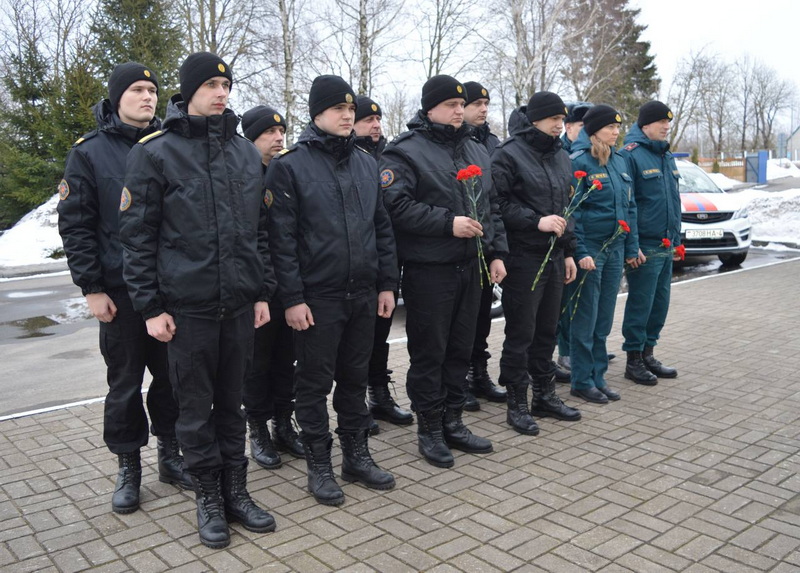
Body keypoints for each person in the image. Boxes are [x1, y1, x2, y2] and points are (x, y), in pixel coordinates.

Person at [119, 52, 276, 548]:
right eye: (210, 85)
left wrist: (261, 292)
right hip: (188, 310)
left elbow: (259, 233)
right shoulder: (155, 153)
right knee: (194, 410)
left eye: (226, 85)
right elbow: (137, 238)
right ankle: (208, 496)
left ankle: (236, 492)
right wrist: (150, 307)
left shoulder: (245, 153)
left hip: (239, 307)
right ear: (189, 92)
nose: (221, 92)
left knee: (232, 404)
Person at [57, 62, 192, 516]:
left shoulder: (170, 145)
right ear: (117, 98)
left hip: (169, 290)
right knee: (125, 383)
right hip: (119, 293)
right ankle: (128, 467)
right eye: (137, 89)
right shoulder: (89, 153)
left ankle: (171, 457)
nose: (148, 97)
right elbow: (76, 226)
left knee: (173, 380)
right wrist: (92, 287)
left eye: (152, 90)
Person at [265, 75, 398, 506]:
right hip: (317, 299)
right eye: (338, 109)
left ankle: (356, 457)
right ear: (317, 113)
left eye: (350, 109)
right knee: (313, 384)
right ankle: (319, 466)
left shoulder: (366, 163)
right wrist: (292, 299)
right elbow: (280, 241)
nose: (347, 116)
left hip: (362, 293)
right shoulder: (290, 166)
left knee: (355, 379)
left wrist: (386, 284)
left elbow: (381, 229)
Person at [381, 74, 508, 468]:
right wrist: (446, 223)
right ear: (430, 108)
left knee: (460, 348)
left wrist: (495, 253)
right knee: (430, 351)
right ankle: (430, 428)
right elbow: (395, 207)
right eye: (451, 105)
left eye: (461, 105)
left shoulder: (475, 149)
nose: (459, 111)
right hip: (430, 270)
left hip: (472, 266)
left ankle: (453, 420)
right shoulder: (405, 152)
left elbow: (491, 207)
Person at [492, 91, 582, 434]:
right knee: (522, 333)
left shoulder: (561, 155)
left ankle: (544, 395)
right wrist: (535, 221)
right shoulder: (508, 154)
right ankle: (517, 403)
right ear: (535, 120)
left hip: (555, 256)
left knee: (547, 330)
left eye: (562, 119)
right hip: (524, 257)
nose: (560, 125)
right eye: (553, 119)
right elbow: (496, 205)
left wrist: (569, 250)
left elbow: (567, 207)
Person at [240, 106, 304, 469]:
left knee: (286, 359)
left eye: (281, 131)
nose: (279, 138)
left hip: (289, 284)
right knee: (257, 364)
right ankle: (258, 429)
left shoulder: (289, 170)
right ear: (251, 138)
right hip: (257, 288)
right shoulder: (243, 175)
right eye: (269, 132)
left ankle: (283, 424)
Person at [568, 104, 639, 404]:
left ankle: (598, 377)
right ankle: (582, 380)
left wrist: (631, 246)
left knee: (604, 318)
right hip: (592, 250)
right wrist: (581, 251)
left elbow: (630, 207)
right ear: (594, 129)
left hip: (615, 248)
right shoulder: (578, 162)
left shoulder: (619, 160)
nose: (616, 132)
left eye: (618, 127)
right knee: (586, 318)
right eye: (610, 127)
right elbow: (573, 213)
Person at [352, 95, 414, 431]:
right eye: (368, 120)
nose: (376, 125)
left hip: (386, 261)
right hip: (356, 262)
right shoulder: (349, 158)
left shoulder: (387, 157)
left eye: (378, 119)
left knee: (380, 333)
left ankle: (378, 394)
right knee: (356, 341)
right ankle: (355, 402)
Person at [620, 101, 681, 384]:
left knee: (659, 304)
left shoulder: (666, 155)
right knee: (641, 304)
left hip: (666, 243)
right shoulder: (630, 155)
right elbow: (626, 204)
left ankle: (648, 354)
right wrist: (632, 246)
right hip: (645, 246)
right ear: (645, 125)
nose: (666, 127)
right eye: (661, 122)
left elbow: (674, 201)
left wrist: (677, 240)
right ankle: (633, 360)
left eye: (668, 123)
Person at [461, 81, 506, 409]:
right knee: (461, 324)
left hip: (484, 245)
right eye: (476, 103)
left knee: (481, 319)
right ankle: (461, 378)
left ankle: (479, 374)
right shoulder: (455, 144)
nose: (483, 109)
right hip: (460, 246)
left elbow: (495, 202)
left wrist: (496, 252)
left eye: (486, 103)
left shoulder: (491, 143)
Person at [555, 102, 593, 381]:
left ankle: (583, 348)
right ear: (568, 127)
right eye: (582, 126)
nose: (587, 131)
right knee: (565, 303)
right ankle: (565, 351)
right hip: (565, 238)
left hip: (585, 238)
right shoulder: (562, 154)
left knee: (583, 302)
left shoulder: (591, 154)